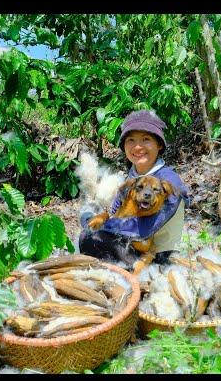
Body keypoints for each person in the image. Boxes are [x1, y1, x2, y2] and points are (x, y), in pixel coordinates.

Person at [78, 109, 190, 266]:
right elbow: (115, 212)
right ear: (124, 146)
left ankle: (128, 274)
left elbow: (145, 228)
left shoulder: (169, 181)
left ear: (159, 145)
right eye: (130, 140)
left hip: (160, 256)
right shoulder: (132, 180)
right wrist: (97, 218)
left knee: (90, 239)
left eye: (145, 139)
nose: (138, 147)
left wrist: (98, 225)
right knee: (89, 238)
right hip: (131, 246)